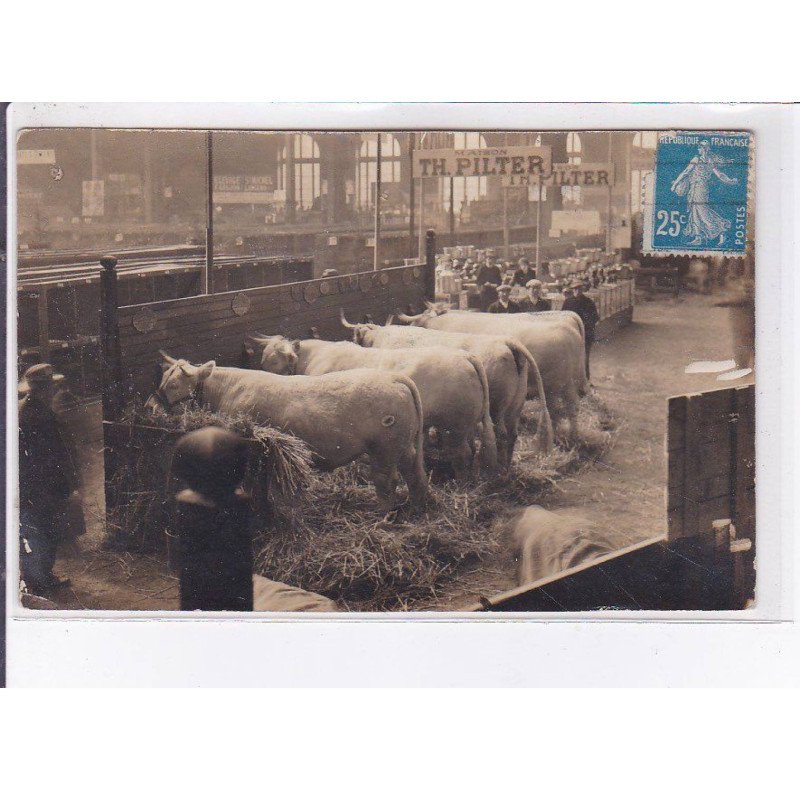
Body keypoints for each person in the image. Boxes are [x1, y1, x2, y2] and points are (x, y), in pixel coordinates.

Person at [18, 364, 81, 594]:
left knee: (39, 531)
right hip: (43, 485)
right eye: (51, 386)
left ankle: (41, 577)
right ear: (45, 388)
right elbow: (51, 456)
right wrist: (68, 485)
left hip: (34, 484)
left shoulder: (27, 407)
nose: (54, 390)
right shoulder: (39, 416)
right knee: (44, 531)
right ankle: (39, 582)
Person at [562, 281, 599, 382]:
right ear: (572, 290)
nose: (577, 291)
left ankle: (585, 381)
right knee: (570, 359)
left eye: (579, 289)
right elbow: (563, 318)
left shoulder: (589, 302)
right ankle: (571, 381)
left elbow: (595, 318)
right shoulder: (568, 302)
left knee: (584, 358)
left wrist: (583, 326)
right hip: (571, 334)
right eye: (574, 289)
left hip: (585, 334)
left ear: (582, 290)